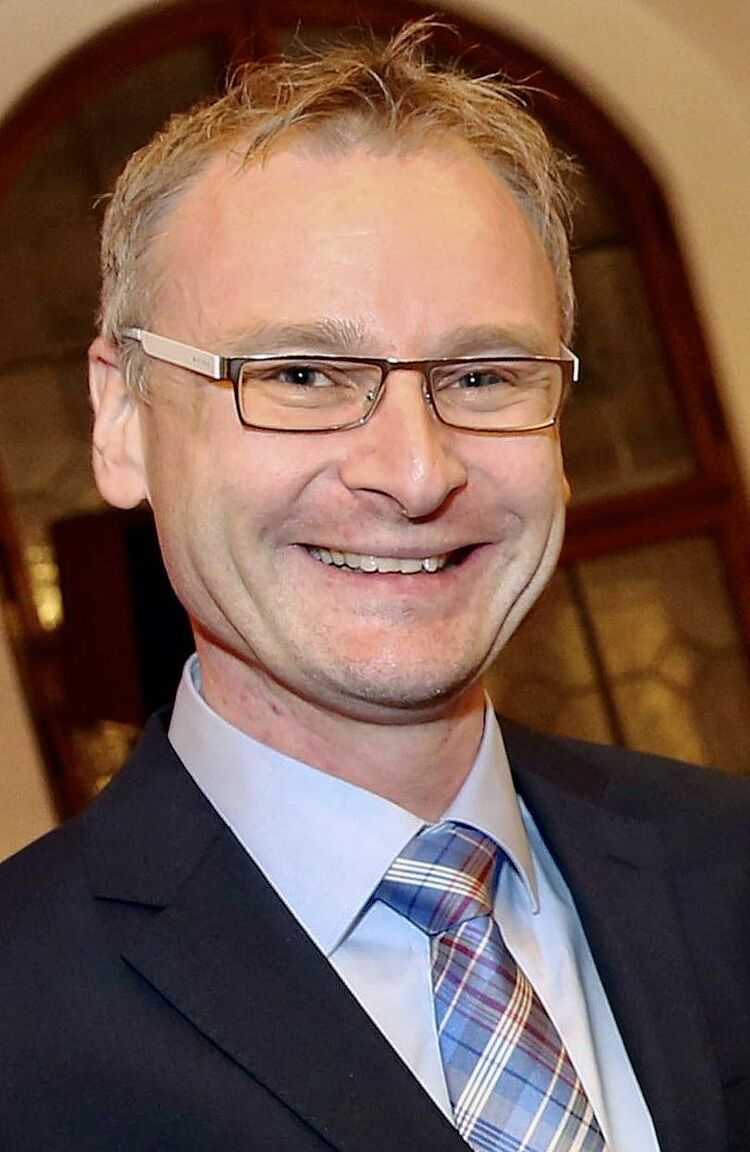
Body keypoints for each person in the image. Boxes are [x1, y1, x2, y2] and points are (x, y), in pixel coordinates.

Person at [1, 19, 748, 1152]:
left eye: (483, 375)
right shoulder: (20, 1025)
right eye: (302, 374)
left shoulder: (729, 871)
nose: (415, 471)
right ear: (120, 420)